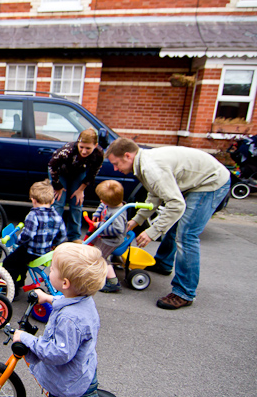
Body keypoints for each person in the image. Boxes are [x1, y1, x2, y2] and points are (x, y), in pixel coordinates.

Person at [106, 138, 231, 309]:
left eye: (116, 163)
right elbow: (155, 194)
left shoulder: (151, 168)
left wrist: (152, 231)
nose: (115, 168)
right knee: (175, 225)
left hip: (210, 182)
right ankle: (163, 263)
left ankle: (184, 293)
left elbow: (176, 204)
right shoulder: (143, 163)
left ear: (127, 156)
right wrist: (137, 220)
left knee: (186, 235)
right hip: (193, 182)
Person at [13, 243, 108, 397]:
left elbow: (58, 353)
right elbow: (68, 304)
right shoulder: (83, 300)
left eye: (53, 269)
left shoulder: (69, 319)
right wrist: (49, 298)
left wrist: (25, 338)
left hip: (67, 387)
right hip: (83, 371)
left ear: (65, 282)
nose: (50, 271)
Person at [3, 180, 66, 297]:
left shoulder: (33, 215)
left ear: (33, 200)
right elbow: (62, 234)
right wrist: (54, 244)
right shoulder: (57, 216)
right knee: (21, 262)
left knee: (9, 262)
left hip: (32, 251)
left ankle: (11, 289)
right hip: (46, 251)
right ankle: (20, 282)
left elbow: (28, 235)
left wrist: (19, 241)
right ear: (52, 201)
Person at [49, 128, 104, 243]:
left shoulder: (98, 154)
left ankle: (74, 236)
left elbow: (92, 173)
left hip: (78, 173)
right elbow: (52, 166)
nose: (84, 151)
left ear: (95, 145)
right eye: (81, 147)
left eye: (88, 148)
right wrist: (57, 186)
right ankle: (54, 237)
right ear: (78, 143)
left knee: (77, 203)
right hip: (60, 173)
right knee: (59, 202)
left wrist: (81, 189)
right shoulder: (67, 151)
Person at [90, 180, 126, 293]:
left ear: (110, 202)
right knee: (93, 246)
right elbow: (102, 205)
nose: (101, 201)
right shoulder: (111, 203)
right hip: (106, 236)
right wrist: (97, 213)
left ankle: (113, 282)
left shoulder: (117, 214)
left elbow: (118, 230)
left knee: (100, 257)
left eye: (103, 200)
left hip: (112, 240)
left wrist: (99, 225)